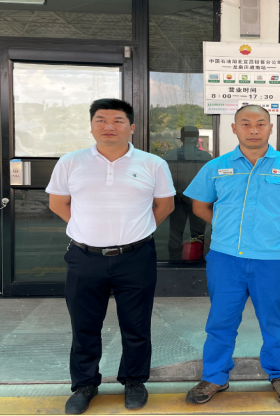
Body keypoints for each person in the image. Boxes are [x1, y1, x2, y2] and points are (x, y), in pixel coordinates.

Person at [183, 105, 280, 405]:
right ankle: (214, 376)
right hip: (226, 259)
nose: (253, 129)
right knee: (220, 321)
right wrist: (225, 227)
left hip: (273, 260)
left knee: (275, 322)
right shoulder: (216, 166)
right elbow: (199, 206)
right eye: (245, 124)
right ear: (234, 128)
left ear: (271, 128)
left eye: (260, 123)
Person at [46, 98, 175, 414]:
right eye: (101, 120)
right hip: (85, 256)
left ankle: (134, 381)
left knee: (136, 324)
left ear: (131, 127)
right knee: (84, 325)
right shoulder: (71, 162)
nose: (109, 126)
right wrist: (87, 230)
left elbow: (165, 205)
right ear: (91, 127)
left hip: (136, 256)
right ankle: (84, 384)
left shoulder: (153, 164)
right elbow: (58, 203)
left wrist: (136, 230)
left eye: (117, 121)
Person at [164, 126, 212, 260]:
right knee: (198, 233)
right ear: (197, 139)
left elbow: (165, 181)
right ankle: (197, 258)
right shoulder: (206, 157)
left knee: (175, 232)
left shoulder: (170, 156)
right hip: (200, 201)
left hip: (177, 200)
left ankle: (174, 260)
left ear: (181, 139)